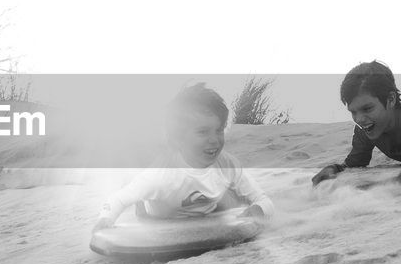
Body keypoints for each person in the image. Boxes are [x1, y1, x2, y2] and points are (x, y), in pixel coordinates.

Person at [93, 84, 274, 229]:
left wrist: (257, 210)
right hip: (161, 213)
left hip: (207, 207)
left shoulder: (228, 165)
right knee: (140, 195)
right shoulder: (161, 175)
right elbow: (117, 199)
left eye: (219, 130)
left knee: (228, 197)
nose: (214, 140)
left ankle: (220, 196)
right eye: (203, 132)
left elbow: (264, 200)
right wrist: (106, 219)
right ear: (178, 139)